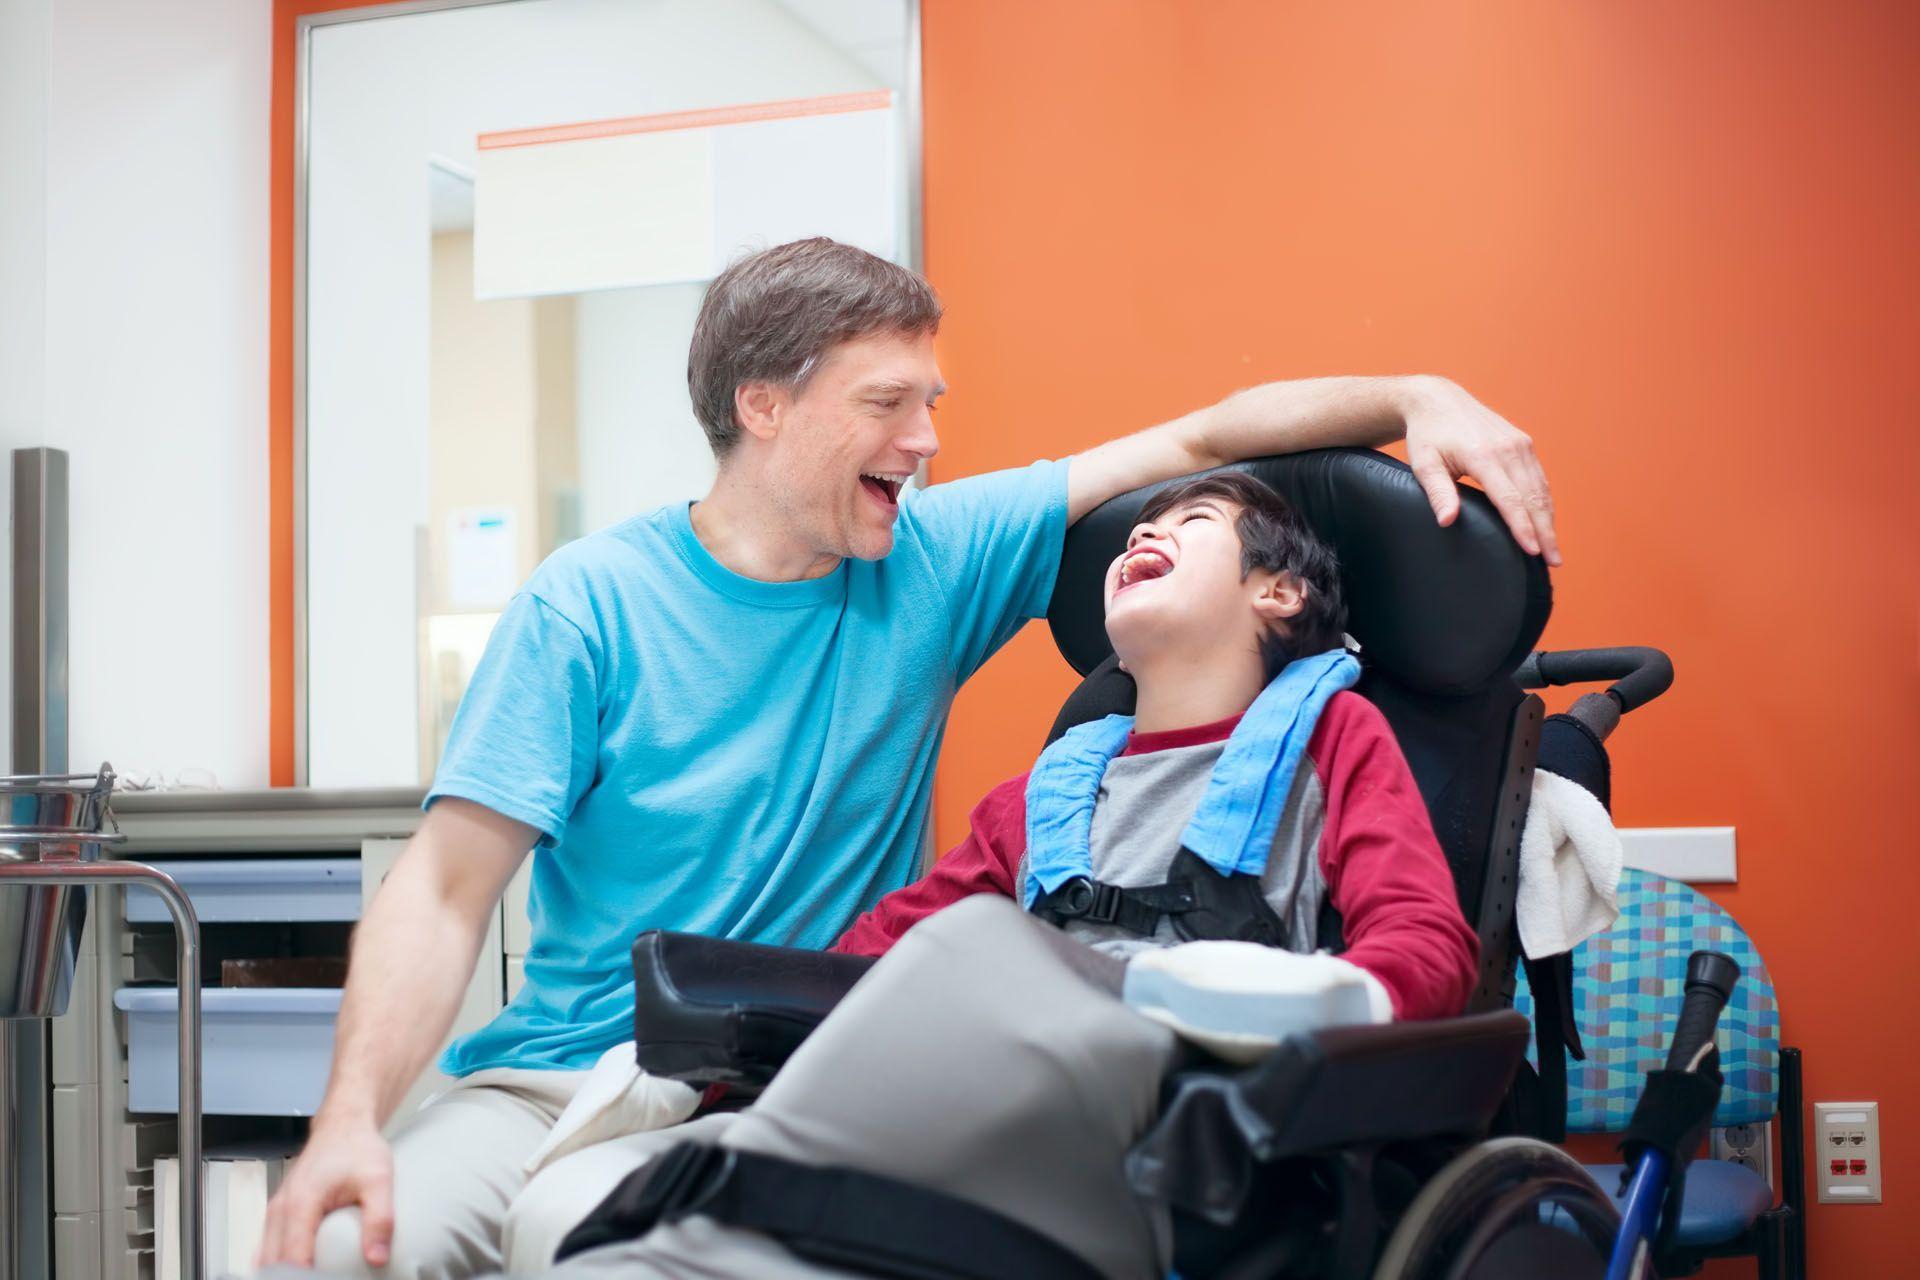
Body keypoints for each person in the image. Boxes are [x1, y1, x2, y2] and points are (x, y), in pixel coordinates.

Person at [259, 237, 1557, 1275]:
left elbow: (1216, 434)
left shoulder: (939, 557)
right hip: (576, 1069)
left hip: (809, 1069)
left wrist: (1417, 396)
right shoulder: (587, 607)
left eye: (929, 403)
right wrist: (348, 1120)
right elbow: (440, 891)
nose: (928, 442)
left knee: (583, 1242)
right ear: (763, 407)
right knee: (327, 1250)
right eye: (889, 404)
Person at [508, 471, 1478, 1278]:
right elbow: (876, 956)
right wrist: (708, 1057)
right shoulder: (1044, 796)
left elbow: (1429, 953)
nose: (1147, 529)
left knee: (975, 944)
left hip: (1167, 1145)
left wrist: (1253, 1000)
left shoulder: (1333, 741)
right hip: (976, 1132)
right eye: (1143, 523)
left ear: (1280, 592)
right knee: (587, 1228)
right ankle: (704, 1206)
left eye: (1192, 522)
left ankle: (716, 1211)